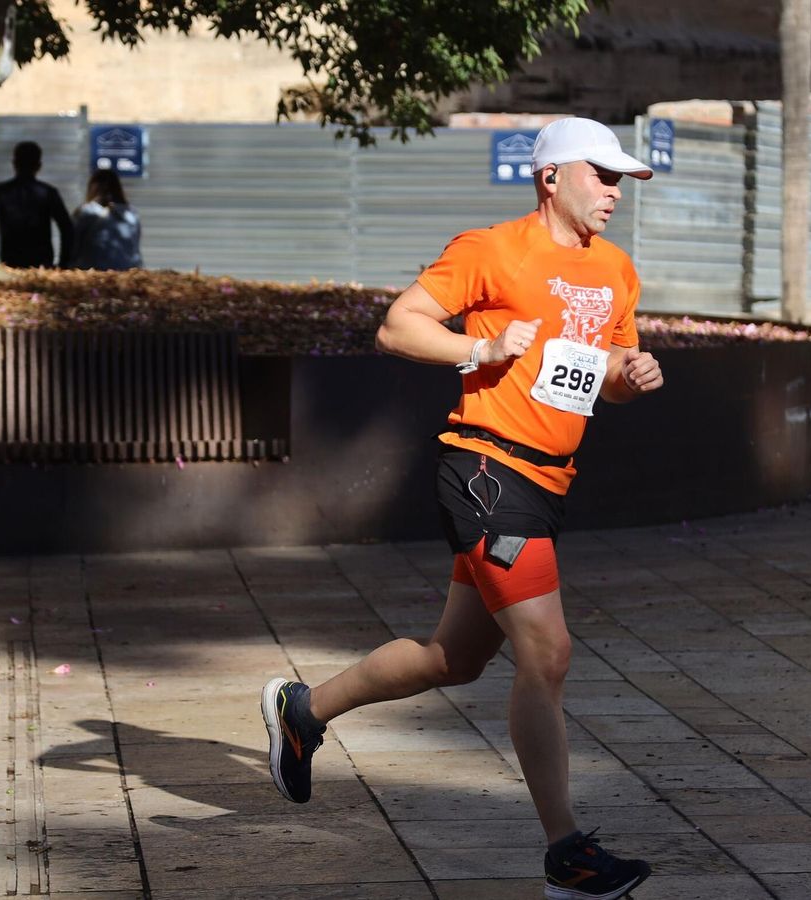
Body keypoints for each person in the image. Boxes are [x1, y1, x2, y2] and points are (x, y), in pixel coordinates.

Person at [261, 117, 664, 900]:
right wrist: (477, 349)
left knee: (457, 657)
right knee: (546, 653)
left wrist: (631, 375)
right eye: (602, 175)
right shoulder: (490, 249)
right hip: (486, 471)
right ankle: (567, 855)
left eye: (622, 180)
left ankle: (303, 711)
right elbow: (399, 324)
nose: (615, 191)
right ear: (551, 176)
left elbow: (603, 369)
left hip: (547, 481)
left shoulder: (616, 268)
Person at [0, 140, 73, 268]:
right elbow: (66, 228)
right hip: (42, 262)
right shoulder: (48, 193)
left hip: (10, 260)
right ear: (39, 165)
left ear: (14, 163)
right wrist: (63, 263)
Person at [70, 168, 143, 270]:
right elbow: (135, 248)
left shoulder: (85, 212)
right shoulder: (131, 214)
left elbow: (72, 245)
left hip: (92, 272)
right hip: (126, 271)